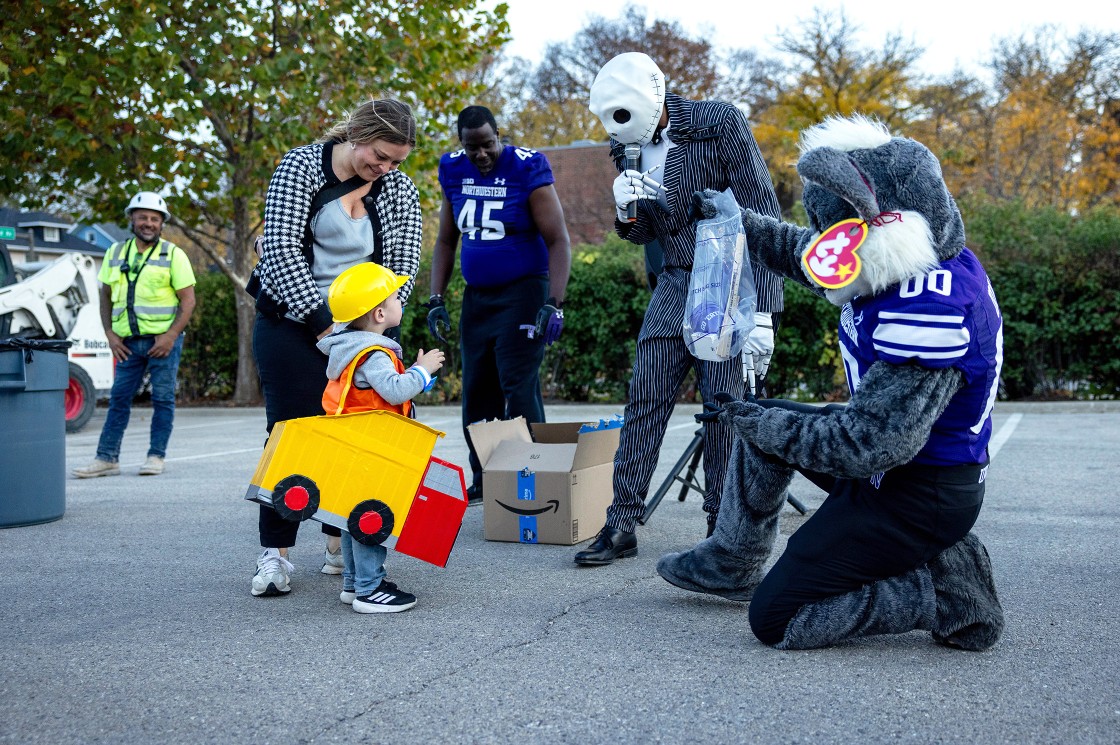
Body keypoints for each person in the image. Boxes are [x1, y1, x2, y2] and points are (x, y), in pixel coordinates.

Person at [657, 115, 1005, 651]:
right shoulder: (920, 255)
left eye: (840, 234)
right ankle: (732, 560)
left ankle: (939, 591)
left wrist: (772, 426)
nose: (829, 254)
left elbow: (875, 443)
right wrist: (740, 223)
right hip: (905, 474)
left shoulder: (930, 307)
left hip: (916, 492)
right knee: (765, 427)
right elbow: (817, 258)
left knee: (778, 618)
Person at [573, 53, 784, 565]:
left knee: (723, 409)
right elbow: (644, 232)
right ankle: (621, 523)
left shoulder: (720, 124)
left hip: (727, 277)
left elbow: (766, 214)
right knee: (644, 400)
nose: (625, 143)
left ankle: (722, 528)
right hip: (673, 278)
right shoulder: (623, 143)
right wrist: (625, 209)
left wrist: (763, 313)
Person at [248, 98, 423, 597]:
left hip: (362, 329)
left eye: (395, 161)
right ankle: (275, 557)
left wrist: (375, 330)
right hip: (291, 321)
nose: (385, 168)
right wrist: (324, 323)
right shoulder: (301, 167)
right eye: (380, 156)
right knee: (289, 434)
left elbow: (403, 265)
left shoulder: (399, 189)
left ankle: (337, 546)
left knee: (355, 437)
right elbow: (279, 250)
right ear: (359, 133)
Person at [426, 105, 571, 506]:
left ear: (498, 136)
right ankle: (487, 478)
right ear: (462, 144)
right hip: (478, 296)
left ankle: (536, 475)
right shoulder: (453, 169)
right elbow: (445, 240)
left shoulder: (527, 167)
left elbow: (559, 239)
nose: (481, 154)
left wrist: (554, 302)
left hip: (524, 292)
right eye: (472, 147)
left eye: (488, 144)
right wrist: (436, 297)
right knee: (477, 391)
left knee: (518, 387)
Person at [309, 262, 444, 613]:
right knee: (373, 517)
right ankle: (370, 591)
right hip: (372, 451)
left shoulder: (350, 349)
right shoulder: (373, 353)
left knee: (355, 517)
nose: (402, 300)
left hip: (353, 449)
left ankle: (356, 584)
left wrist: (417, 375)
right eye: (397, 296)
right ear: (380, 313)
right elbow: (395, 390)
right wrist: (423, 369)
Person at [73, 191, 196, 479]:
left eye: (155, 218)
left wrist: (171, 335)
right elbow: (105, 295)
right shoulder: (115, 253)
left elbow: (188, 301)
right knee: (118, 399)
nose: (148, 223)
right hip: (127, 343)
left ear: (162, 223)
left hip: (163, 343)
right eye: (142, 217)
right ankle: (107, 458)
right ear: (132, 219)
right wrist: (109, 334)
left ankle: (156, 456)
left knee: (163, 399)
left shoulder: (173, 255)